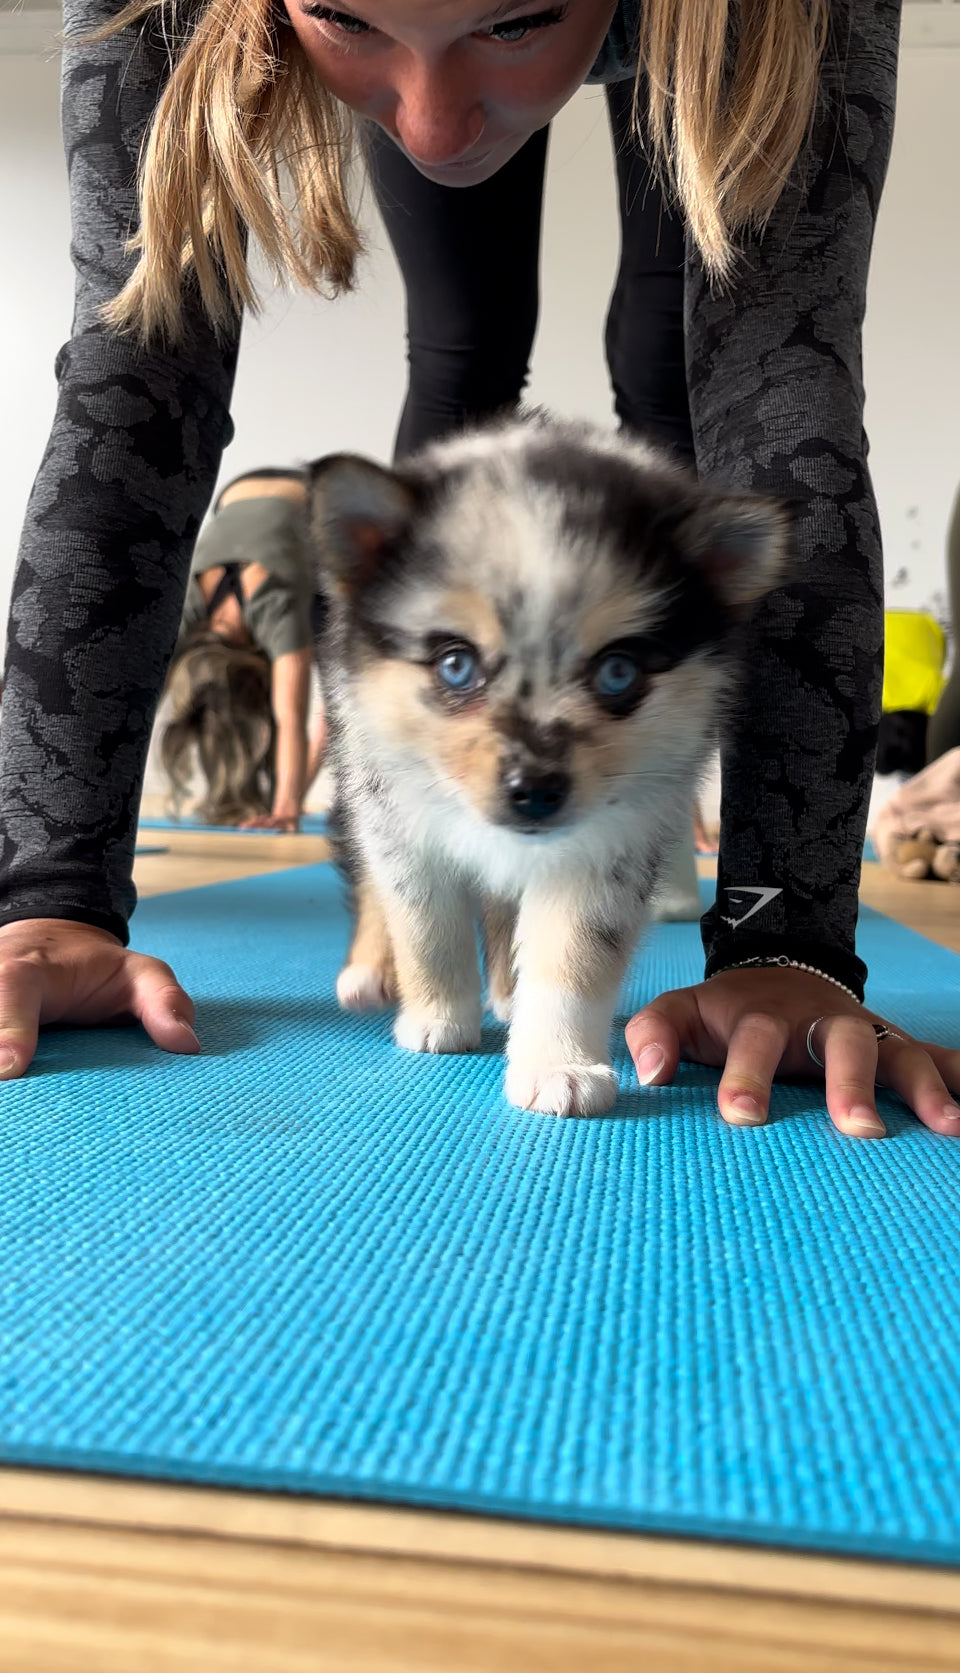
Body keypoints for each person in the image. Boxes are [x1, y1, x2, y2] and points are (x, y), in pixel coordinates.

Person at [1, 0, 958, 1141]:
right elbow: (135, 376)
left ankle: (611, 840)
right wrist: (48, 897)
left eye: (513, 22)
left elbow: (786, 409)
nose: (435, 126)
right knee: (461, 350)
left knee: (673, 366)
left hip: (720, 32)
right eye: (349, 20)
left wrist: (787, 934)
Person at [160, 468, 328, 831]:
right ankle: (288, 795)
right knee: (337, 692)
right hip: (236, 491)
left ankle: (287, 797)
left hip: (318, 505)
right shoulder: (187, 607)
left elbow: (292, 720)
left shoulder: (275, 607)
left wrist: (286, 809)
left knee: (344, 688)